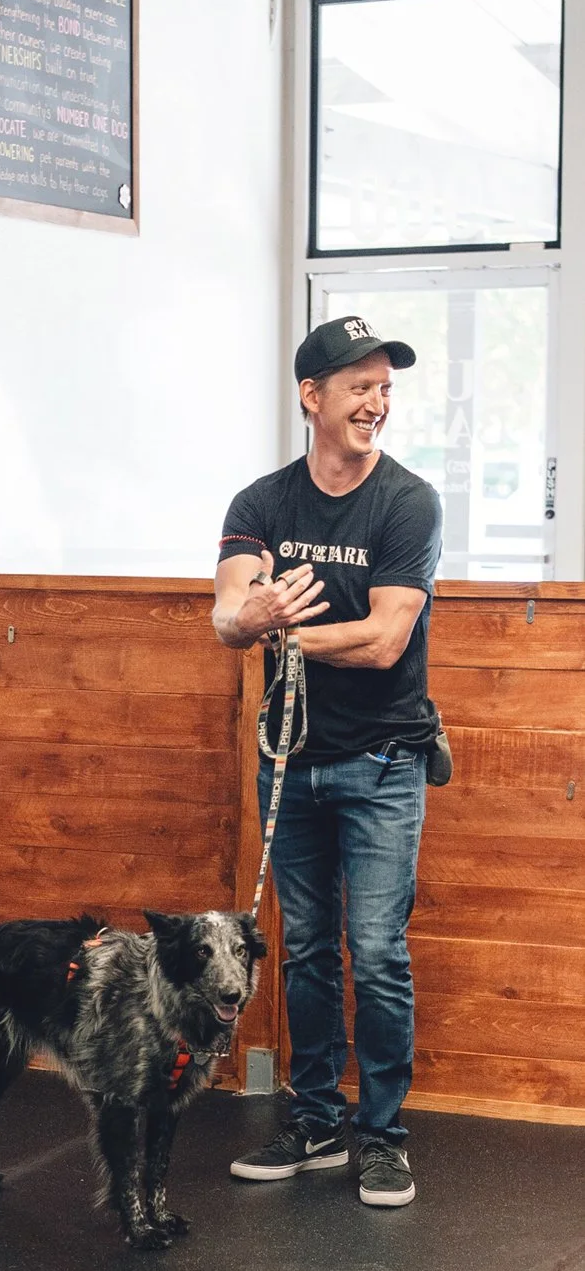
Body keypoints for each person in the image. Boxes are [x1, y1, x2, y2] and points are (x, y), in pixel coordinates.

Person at [212, 316, 442, 1208]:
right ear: (311, 397)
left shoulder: (407, 502)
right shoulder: (260, 505)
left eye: (384, 389)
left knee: (376, 951)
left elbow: (387, 638)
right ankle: (315, 1120)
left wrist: (286, 629)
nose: (376, 404)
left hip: (383, 760)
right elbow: (226, 617)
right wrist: (251, 613)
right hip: (291, 762)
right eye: (359, 387)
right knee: (306, 949)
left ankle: (382, 1138)